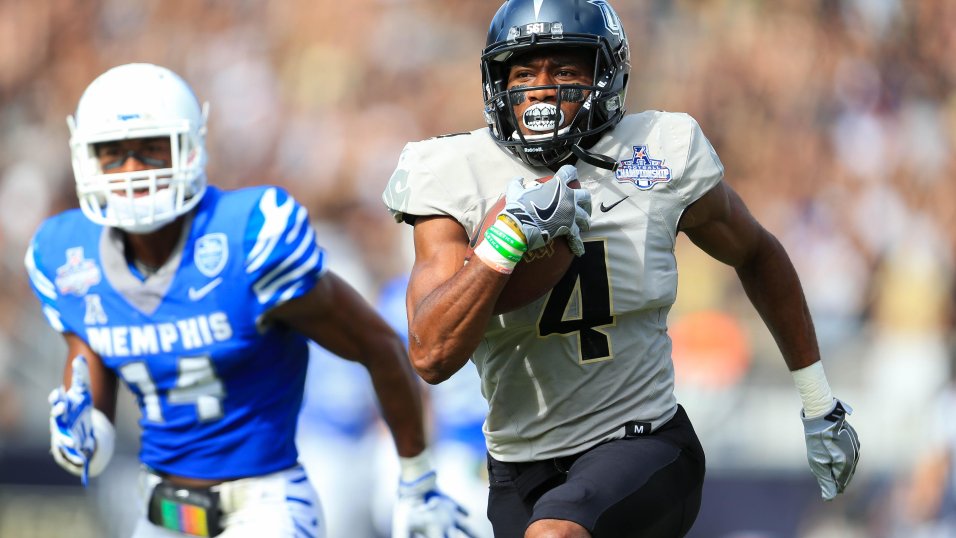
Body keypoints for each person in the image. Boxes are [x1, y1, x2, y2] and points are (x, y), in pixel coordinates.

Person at [381, 0, 861, 536]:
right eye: (524, 71)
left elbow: (756, 252)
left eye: (564, 69)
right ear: (497, 82)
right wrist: (504, 240)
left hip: (644, 443)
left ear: (605, 76)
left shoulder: (657, 151)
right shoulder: (453, 172)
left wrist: (819, 403)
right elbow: (431, 352)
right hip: (519, 468)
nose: (541, 88)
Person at [25, 63, 473, 538]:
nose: (132, 171)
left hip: (264, 506)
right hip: (164, 513)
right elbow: (90, 399)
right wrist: (81, 435)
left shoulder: (246, 237)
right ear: (86, 160)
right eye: (113, 154)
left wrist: (417, 481)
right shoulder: (67, 256)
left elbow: (379, 346)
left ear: (190, 149)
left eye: (150, 150)